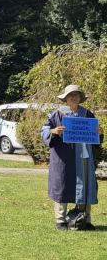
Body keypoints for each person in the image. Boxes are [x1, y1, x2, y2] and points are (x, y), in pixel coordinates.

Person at [41, 84, 103, 230]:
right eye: (71, 95)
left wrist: (99, 133)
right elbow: (44, 130)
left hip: (84, 158)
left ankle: (84, 219)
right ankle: (60, 220)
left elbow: (95, 138)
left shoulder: (87, 114)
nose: (74, 97)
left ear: (80, 98)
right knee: (62, 186)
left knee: (86, 185)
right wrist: (54, 131)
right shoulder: (57, 114)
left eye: (77, 95)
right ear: (66, 99)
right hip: (64, 158)